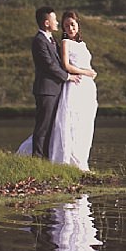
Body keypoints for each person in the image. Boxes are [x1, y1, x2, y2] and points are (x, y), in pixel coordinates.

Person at [50, 10, 99, 171]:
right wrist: (86, 72)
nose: (70, 28)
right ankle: (69, 159)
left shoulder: (82, 44)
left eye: (72, 24)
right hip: (75, 84)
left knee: (84, 124)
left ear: (77, 25)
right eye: (66, 26)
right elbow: (66, 66)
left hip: (87, 87)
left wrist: (90, 73)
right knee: (71, 122)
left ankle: (81, 158)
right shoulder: (65, 43)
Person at [27, 6, 77, 160]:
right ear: (47, 23)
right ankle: (37, 158)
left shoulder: (51, 40)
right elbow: (49, 65)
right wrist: (67, 76)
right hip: (46, 90)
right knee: (43, 126)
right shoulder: (39, 41)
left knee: (51, 127)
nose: (57, 22)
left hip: (55, 90)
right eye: (54, 20)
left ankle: (46, 158)